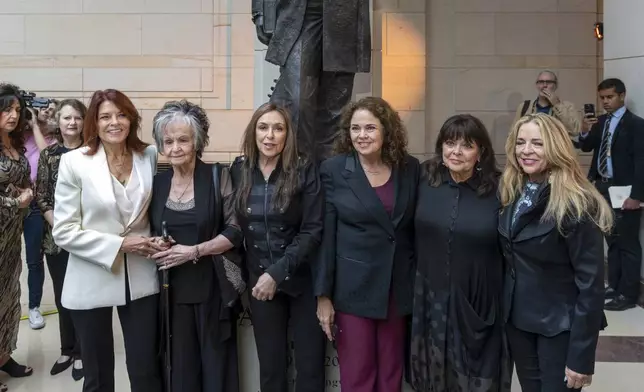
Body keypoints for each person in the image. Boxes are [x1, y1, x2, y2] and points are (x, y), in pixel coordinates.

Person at [52, 89, 166, 392]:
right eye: (105, 117)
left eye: (121, 114)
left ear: (131, 118)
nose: (114, 122)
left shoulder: (149, 155)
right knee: (98, 374)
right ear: (94, 122)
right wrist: (119, 244)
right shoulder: (74, 162)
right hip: (91, 276)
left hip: (142, 276)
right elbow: (63, 231)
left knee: (146, 368)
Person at [499, 113, 612, 391]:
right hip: (519, 322)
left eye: (537, 143)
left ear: (556, 147)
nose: (526, 151)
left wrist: (581, 357)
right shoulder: (513, 190)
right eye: (521, 142)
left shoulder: (576, 203)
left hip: (559, 328)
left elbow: (591, 286)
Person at [315, 97, 419, 392]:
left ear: (386, 130)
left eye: (370, 128)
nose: (362, 135)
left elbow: (414, 229)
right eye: (355, 128)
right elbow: (326, 236)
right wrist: (323, 296)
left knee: (390, 378)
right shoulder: (334, 170)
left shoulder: (410, 168)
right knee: (359, 378)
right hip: (352, 293)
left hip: (396, 290)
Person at [410, 114, 511, 391]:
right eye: (450, 143)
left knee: (474, 377)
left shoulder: (501, 188)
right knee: (432, 375)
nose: (456, 152)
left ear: (480, 152)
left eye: (466, 145)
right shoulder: (423, 178)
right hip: (430, 299)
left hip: (478, 301)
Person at [149, 100, 244, 392]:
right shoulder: (157, 183)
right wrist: (156, 243)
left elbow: (236, 229)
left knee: (215, 365)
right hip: (171, 291)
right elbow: (147, 230)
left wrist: (194, 251)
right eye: (168, 141)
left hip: (212, 288)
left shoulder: (217, 176)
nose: (175, 147)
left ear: (197, 142)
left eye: (183, 140)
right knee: (181, 367)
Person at [230, 102, 325, 392]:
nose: (270, 135)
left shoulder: (305, 169)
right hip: (260, 282)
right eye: (263, 127)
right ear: (253, 132)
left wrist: (277, 273)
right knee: (270, 371)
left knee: (310, 368)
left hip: (301, 281)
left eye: (278, 128)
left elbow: (313, 229)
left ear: (288, 135)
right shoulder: (239, 170)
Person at [253, 0, 371, 161]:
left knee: (335, 109)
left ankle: (327, 174)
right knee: (298, 100)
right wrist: (260, 11)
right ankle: (297, 170)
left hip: (346, 12)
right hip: (299, 10)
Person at [578, 77, 644, 311]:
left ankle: (628, 294)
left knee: (628, 243)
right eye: (602, 98)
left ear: (622, 96)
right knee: (611, 240)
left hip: (625, 189)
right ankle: (614, 286)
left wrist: (637, 196)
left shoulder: (636, 124)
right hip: (602, 186)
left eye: (610, 97)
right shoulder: (602, 121)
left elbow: (641, 162)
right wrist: (585, 131)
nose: (605, 102)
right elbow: (586, 147)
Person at [35, 99, 87, 380]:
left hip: (86, 238)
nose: (72, 123)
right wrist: (60, 227)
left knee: (82, 296)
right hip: (56, 237)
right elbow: (41, 196)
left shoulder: (93, 152)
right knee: (62, 295)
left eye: (77, 117)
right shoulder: (50, 155)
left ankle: (82, 351)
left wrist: (77, 231)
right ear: (59, 121)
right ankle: (67, 348)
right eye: (66, 118)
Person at [0, 82, 35, 392]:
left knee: (10, 297)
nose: (13, 115)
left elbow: (23, 180)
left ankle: (3, 356)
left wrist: (26, 192)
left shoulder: (16, 143)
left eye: (16, 110)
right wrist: (14, 201)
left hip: (12, 236)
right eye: (7, 109)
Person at [23, 101, 57, 330]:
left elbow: (45, 156)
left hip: (39, 204)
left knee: (39, 259)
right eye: (44, 107)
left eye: (53, 111)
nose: (47, 112)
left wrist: (36, 124)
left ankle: (34, 306)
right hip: (15, 202)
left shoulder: (55, 141)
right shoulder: (20, 135)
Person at [513, 70, 580, 137]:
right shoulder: (525, 106)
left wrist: (557, 105)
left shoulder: (568, 107)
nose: (544, 85)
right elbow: (513, 133)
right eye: (541, 82)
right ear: (537, 85)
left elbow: (574, 131)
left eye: (549, 82)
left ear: (555, 86)